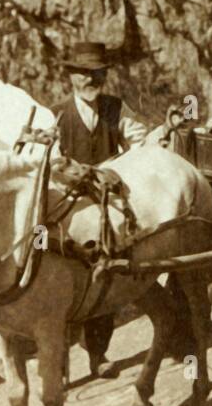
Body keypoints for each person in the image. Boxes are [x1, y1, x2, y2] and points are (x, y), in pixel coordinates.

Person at [52, 40, 151, 380]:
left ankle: (98, 355)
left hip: (107, 205)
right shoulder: (57, 115)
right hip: (70, 209)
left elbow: (140, 140)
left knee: (107, 273)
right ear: (71, 77)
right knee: (63, 282)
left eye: (97, 73)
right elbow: (44, 162)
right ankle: (60, 365)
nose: (90, 81)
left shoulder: (115, 108)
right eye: (83, 74)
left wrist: (122, 167)